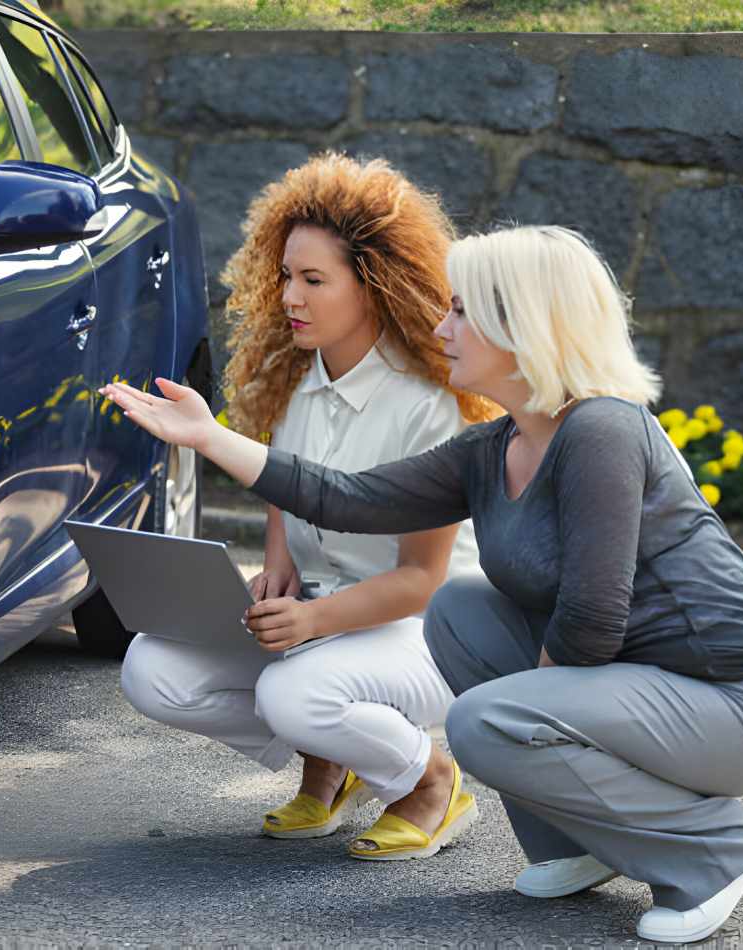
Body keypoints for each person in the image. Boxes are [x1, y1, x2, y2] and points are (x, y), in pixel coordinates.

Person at [103, 224, 743, 943]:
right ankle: (579, 842)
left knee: (484, 722)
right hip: (644, 685)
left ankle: (717, 851)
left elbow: (593, 617)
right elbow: (347, 498)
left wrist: (527, 721)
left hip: (735, 703)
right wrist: (209, 436)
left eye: (462, 311)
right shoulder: (497, 446)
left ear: (522, 325)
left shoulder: (602, 431)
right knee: (462, 612)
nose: (442, 327)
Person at [112, 153, 498, 860]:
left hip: (428, 632)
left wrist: (312, 620)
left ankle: (429, 781)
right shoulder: (295, 380)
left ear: (373, 284)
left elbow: (423, 580)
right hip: (327, 622)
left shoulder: (430, 405)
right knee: (152, 667)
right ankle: (332, 759)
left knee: (294, 691)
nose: (290, 295)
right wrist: (278, 568)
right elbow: (287, 488)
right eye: (286, 275)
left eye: (313, 280)